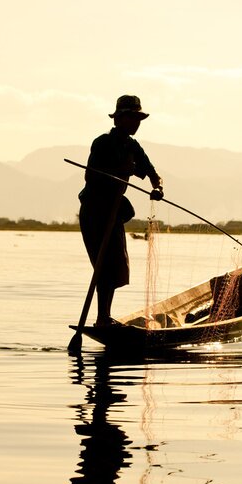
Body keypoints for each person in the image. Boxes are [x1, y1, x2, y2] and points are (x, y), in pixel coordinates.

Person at [79, 95, 164, 327]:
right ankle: (102, 318)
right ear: (119, 119)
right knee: (103, 265)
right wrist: (121, 169)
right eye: (132, 118)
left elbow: (154, 174)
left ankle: (103, 317)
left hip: (114, 211)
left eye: (139, 119)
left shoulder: (133, 146)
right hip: (95, 210)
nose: (136, 123)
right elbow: (91, 176)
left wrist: (158, 188)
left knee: (116, 266)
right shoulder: (102, 143)